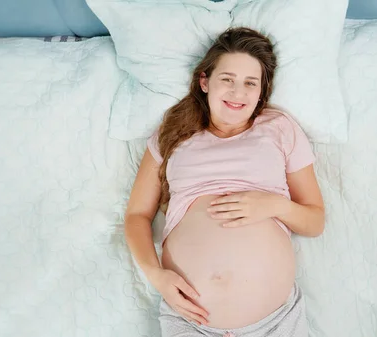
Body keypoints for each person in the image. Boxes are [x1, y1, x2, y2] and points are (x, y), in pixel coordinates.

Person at [123, 27, 325, 337]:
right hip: (191, 321)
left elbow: (315, 220)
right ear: (205, 81)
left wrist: (273, 204)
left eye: (250, 83)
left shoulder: (279, 128)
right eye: (227, 80)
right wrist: (156, 275)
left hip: (275, 322)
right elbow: (137, 215)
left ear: (262, 91)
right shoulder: (172, 134)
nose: (238, 93)